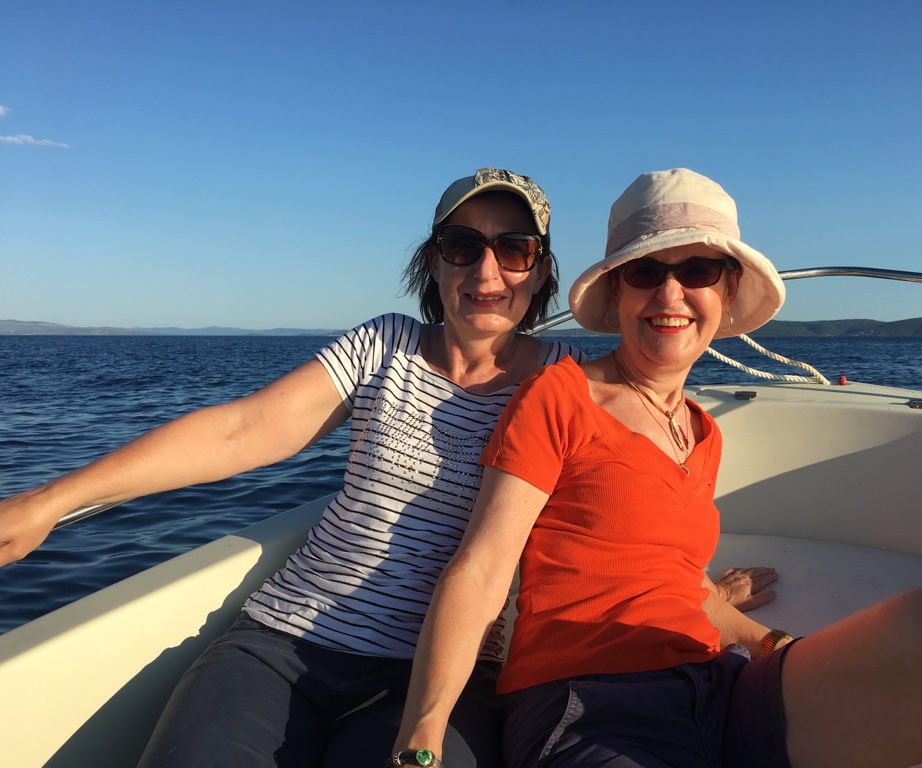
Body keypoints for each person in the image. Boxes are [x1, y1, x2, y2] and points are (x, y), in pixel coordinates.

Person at [0, 166, 776, 768]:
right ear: (431, 263)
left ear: (542, 272)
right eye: (462, 247)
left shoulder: (568, 384)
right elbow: (244, 430)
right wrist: (52, 501)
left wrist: (703, 596)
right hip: (286, 641)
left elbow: (621, 515)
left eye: (513, 250)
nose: (487, 272)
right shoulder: (385, 346)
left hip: (448, 677)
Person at [392, 168, 922, 768]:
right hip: (591, 701)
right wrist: (422, 737)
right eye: (645, 271)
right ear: (616, 294)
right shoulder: (560, 396)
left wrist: (762, 639)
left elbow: (673, 576)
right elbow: (482, 569)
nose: (670, 294)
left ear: (726, 292)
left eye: (697, 269)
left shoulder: (702, 431)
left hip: (719, 689)